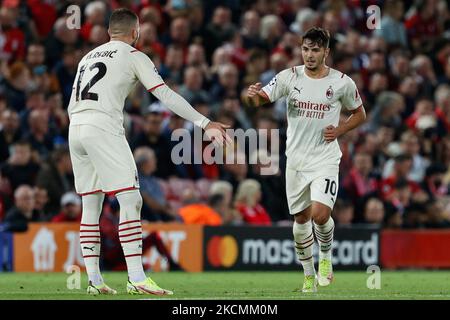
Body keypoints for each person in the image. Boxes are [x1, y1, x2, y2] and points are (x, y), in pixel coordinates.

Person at [67, 8, 231, 296]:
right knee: (131, 197)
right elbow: (164, 94)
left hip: (76, 127)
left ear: (108, 32)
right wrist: (204, 123)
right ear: (135, 32)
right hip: (103, 126)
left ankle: (94, 280)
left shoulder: (87, 57)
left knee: (90, 205)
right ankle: (137, 278)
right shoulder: (133, 55)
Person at [244, 27, 366, 293]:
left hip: (325, 159)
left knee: (320, 215)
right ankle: (308, 275)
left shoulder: (342, 82)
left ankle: (325, 257)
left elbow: (360, 114)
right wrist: (251, 96)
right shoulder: (289, 77)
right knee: (301, 220)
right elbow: (258, 101)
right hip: (296, 161)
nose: (309, 55)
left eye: (315, 50)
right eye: (306, 49)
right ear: (301, 50)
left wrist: (340, 130)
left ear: (326, 52)